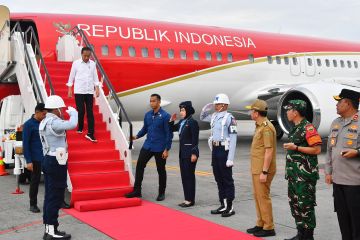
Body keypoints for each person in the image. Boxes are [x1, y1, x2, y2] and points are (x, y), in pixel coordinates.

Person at [283, 100, 322, 240]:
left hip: (305, 177)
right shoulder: (295, 127)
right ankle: (300, 234)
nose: (287, 112)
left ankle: (308, 236)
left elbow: (317, 149)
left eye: (289, 110)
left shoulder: (308, 128)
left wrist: (297, 148)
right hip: (294, 175)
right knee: (295, 204)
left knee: (306, 206)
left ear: (296, 112)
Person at [39, 95, 77, 240]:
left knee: (49, 196)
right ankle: (52, 232)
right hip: (56, 161)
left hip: (48, 159)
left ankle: (49, 229)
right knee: (55, 196)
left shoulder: (44, 122)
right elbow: (72, 124)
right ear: (55, 109)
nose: (61, 111)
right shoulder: (53, 122)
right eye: (60, 109)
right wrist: (74, 113)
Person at [325, 89, 360, 240]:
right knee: (342, 219)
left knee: (357, 222)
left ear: (348, 103)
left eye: (339, 102)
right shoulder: (336, 122)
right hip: (338, 181)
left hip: (355, 183)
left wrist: (357, 152)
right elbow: (329, 150)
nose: (337, 105)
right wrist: (328, 171)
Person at [125, 94, 173, 201]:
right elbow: (145, 129)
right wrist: (136, 136)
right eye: (150, 101)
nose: (152, 103)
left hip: (160, 147)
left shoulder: (166, 116)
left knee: (161, 170)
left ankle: (161, 192)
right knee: (139, 166)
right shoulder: (147, 115)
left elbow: (169, 134)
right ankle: (137, 191)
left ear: (159, 102)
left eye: (154, 101)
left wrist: (167, 149)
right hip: (148, 145)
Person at [200, 93, 237, 217]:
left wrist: (230, 158)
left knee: (227, 179)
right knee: (218, 178)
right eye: (215, 104)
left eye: (218, 104)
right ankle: (223, 204)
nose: (216, 106)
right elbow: (202, 117)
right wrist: (206, 108)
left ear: (225, 105)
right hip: (215, 150)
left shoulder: (229, 118)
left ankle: (230, 206)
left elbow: (233, 138)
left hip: (224, 150)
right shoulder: (215, 116)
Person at [245, 99, 276, 238]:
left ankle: (269, 227)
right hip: (256, 168)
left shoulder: (266, 127)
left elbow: (269, 151)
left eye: (252, 111)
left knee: (263, 197)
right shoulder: (259, 126)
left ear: (256, 113)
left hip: (263, 169)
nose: (250, 113)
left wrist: (264, 171)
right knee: (257, 196)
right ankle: (261, 223)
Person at [67, 46, 100, 142]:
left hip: (89, 91)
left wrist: (97, 88)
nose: (86, 58)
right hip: (79, 91)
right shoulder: (76, 64)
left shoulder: (93, 64)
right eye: (85, 56)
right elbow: (71, 76)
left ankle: (90, 133)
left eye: (88, 56)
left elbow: (95, 77)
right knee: (81, 110)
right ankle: (80, 126)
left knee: (90, 112)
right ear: (81, 54)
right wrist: (70, 88)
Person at [169, 101, 199, 207]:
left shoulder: (192, 122)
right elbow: (171, 129)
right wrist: (171, 121)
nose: (181, 112)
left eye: (183, 110)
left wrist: (194, 153)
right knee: (184, 176)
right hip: (182, 154)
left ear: (188, 110)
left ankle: (190, 200)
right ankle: (187, 198)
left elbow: (195, 139)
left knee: (189, 176)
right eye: (180, 110)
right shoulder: (182, 122)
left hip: (190, 153)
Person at [23, 103, 47, 213]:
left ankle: (56, 201)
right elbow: (26, 144)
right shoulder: (28, 125)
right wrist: (28, 161)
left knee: (51, 180)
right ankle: (33, 204)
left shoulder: (44, 123)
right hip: (35, 158)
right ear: (37, 112)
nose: (45, 116)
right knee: (35, 181)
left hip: (47, 156)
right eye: (43, 114)